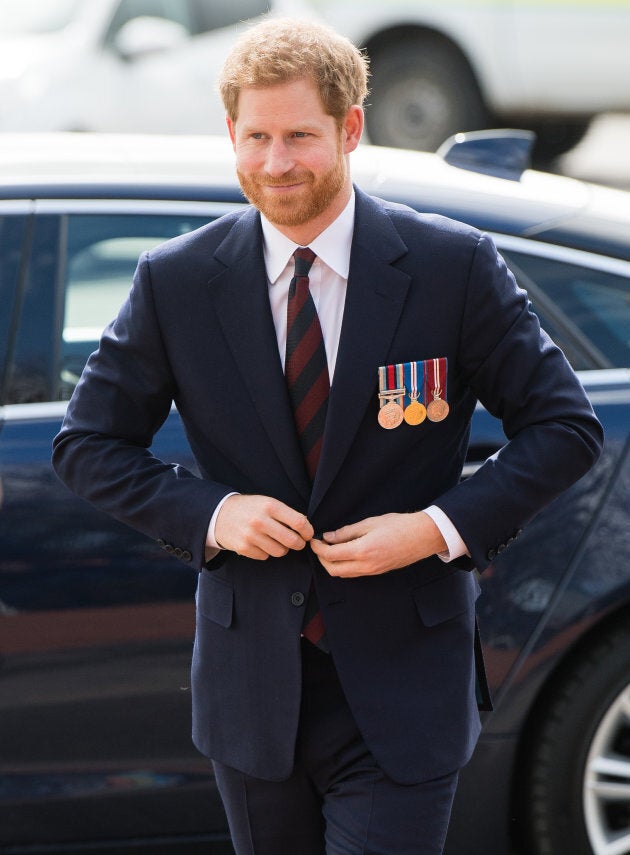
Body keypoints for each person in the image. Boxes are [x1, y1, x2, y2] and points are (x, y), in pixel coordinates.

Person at [52, 17, 603, 855]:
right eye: (257, 137)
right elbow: (86, 444)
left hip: (403, 687)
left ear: (349, 128)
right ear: (230, 135)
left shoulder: (451, 266)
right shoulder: (176, 282)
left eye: (300, 136)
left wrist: (434, 530)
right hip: (252, 696)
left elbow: (564, 426)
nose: (276, 164)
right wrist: (212, 513)